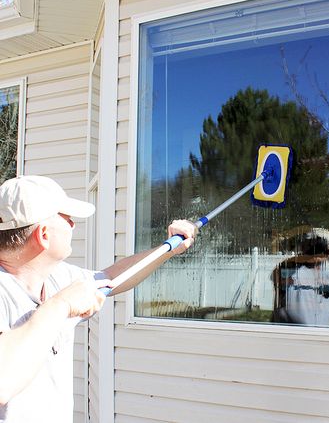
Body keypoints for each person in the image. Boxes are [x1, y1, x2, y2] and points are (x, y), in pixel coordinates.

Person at [0, 175, 197, 423]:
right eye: (67, 218)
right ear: (44, 235)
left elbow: (113, 277)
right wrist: (61, 305)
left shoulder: (57, 277)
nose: (73, 225)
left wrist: (168, 248)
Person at [271, 233, 329, 326]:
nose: (315, 254)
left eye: (319, 248)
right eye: (311, 247)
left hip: (320, 333)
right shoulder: (291, 267)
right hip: (289, 332)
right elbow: (277, 278)